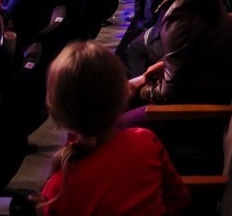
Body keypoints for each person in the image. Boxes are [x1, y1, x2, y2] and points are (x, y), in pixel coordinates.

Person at [39, 41, 190, 215]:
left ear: (57, 111)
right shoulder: (145, 140)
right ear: (121, 95)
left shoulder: (56, 190)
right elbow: (180, 199)